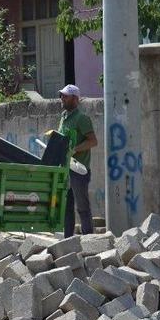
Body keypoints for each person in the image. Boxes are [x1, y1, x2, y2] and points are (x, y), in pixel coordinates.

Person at [58, 84, 98, 237]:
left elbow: (93, 141)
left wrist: (75, 149)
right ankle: (68, 239)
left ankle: (89, 238)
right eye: (61, 95)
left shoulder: (82, 119)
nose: (62, 98)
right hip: (65, 169)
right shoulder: (63, 117)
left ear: (75, 99)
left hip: (79, 170)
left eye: (65, 96)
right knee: (67, 206)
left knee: (82, 206)